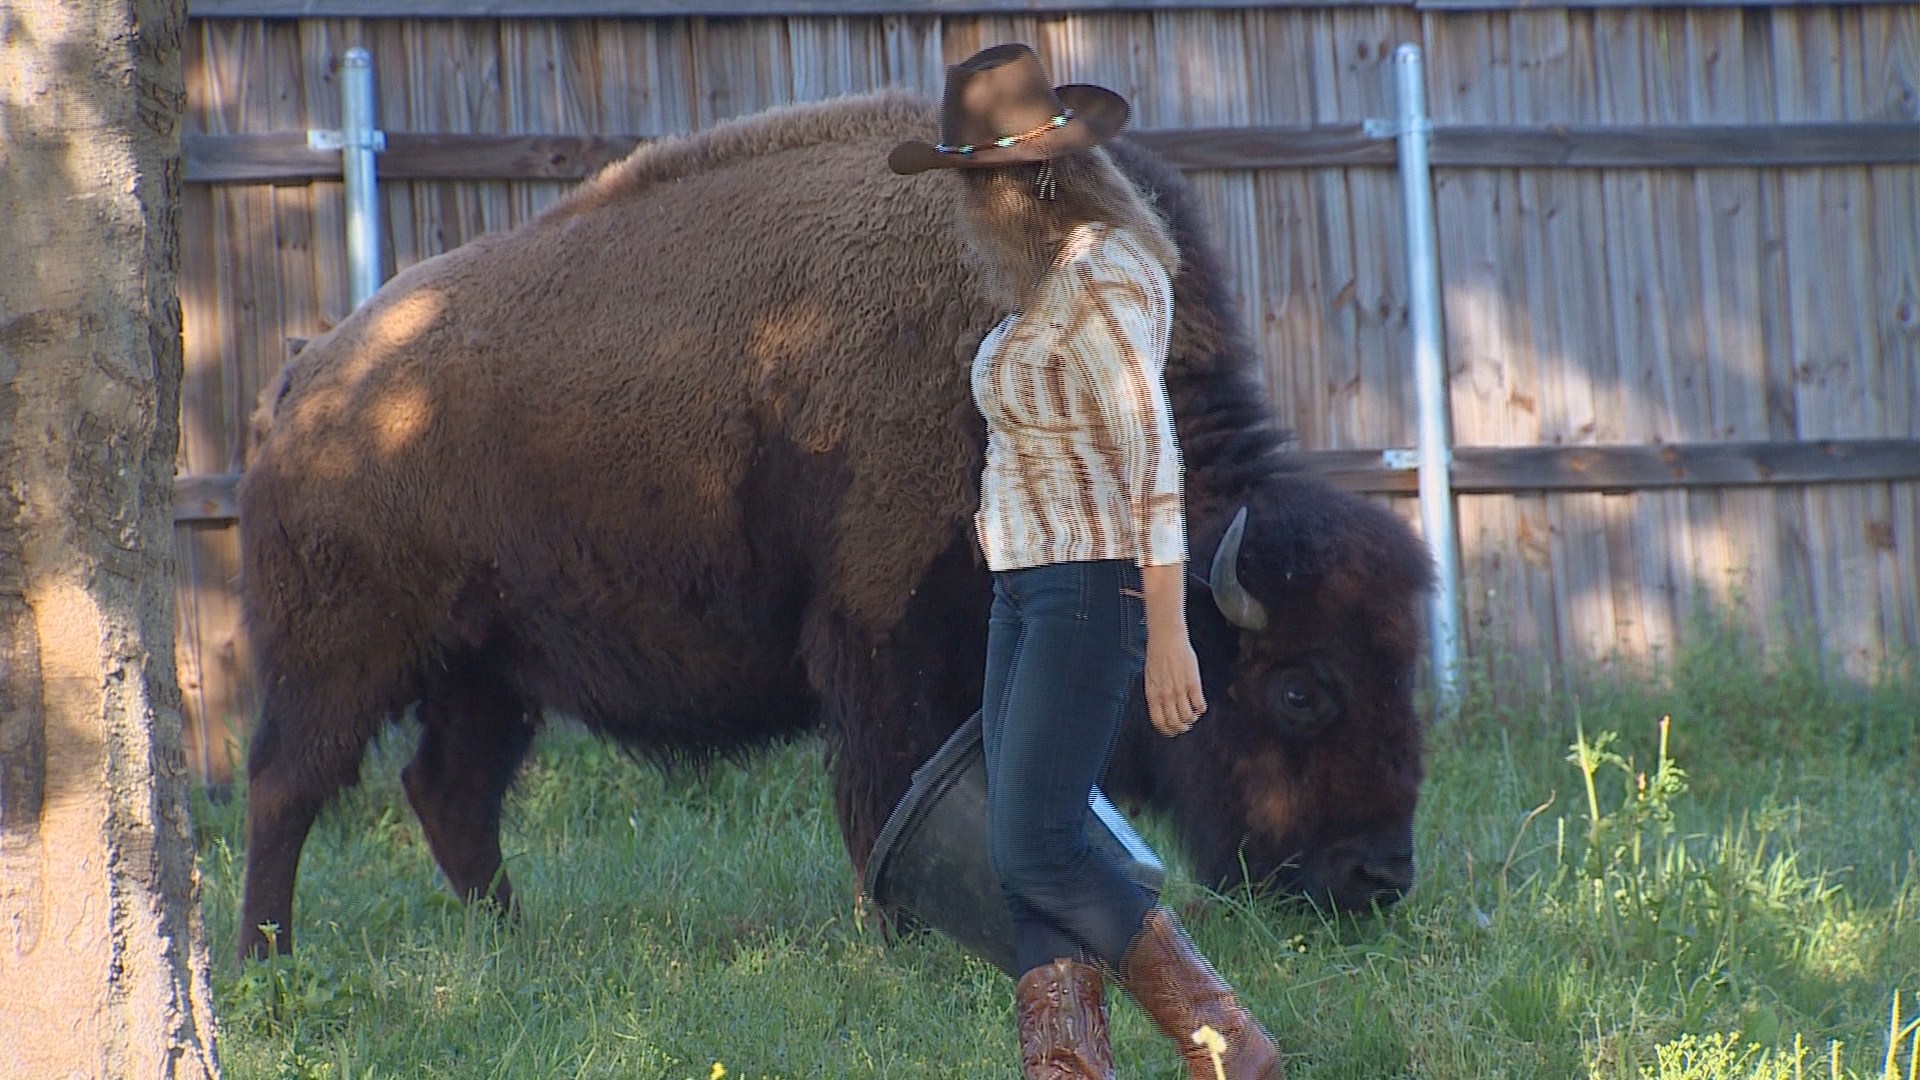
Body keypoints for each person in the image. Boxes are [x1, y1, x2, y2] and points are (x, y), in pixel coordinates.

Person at [889, 43, 1283, 1080]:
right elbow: (1050, 437)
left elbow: (1152, 453)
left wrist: (1166, 632)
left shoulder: (1105, 273)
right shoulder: (1051, 281)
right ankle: (1067, 1066)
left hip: (1089, 589)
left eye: (978, 178)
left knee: (1029, 841)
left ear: (1026, 179)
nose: (969, 201)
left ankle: (1225, 1037)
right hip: (1028, 590)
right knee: (1034, 841)